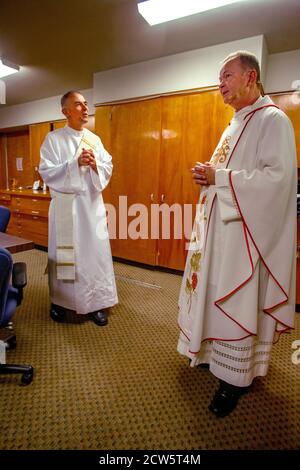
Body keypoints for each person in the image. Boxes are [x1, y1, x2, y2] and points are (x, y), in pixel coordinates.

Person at [177, 51, 297, 417]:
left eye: (227, 76)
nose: (221, 85)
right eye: (219, 79)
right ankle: (212, 354)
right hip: (221, 231)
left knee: (237, 299)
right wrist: (209, 174)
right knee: (215, 292)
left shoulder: (272, 120)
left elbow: (278, 181)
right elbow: (228, 171)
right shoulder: (234, 123)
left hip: (246, 237)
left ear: (251, 76)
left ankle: (234, 380)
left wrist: (220, 177)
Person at [39, 91, 118, 326]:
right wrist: (74, 164)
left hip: (90, 205)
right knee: (65, 256)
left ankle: (95, 303)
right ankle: (60, 301)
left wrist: (96, 165)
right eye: (78, 105)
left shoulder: (94, 140)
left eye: (85, 104)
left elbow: (108, 166)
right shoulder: (53, 140)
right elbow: (47, 171)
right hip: (66, 207)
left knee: (94, 255)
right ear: (65, 111)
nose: (85, 108)